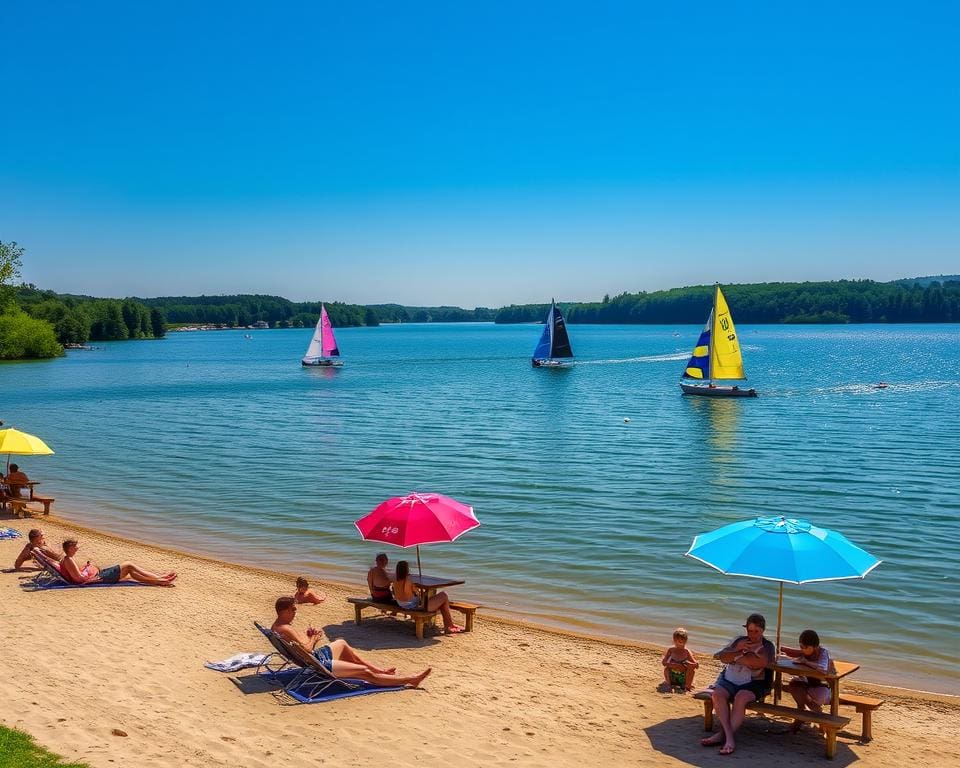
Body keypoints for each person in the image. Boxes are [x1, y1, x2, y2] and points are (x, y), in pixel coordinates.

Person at [270, 596, 430, 688]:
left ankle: (380, 670)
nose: (295, 612)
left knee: (342, 644)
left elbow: (300, 646)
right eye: (293, 609)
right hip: (320, 663)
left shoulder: (278, 627)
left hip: (313, 657)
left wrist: (308, 635)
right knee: (365, 673)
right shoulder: (286, 629)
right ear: (284, 611)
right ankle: (410, 679)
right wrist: (314, 638)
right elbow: (306, 649)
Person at [700, 613, 776, 755]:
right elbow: (721, 657)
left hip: (754, 683)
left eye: (756, 631)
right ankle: (728, 737)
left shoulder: (767, 646)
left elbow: (761, 662)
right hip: (730, 678)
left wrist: (736, 658)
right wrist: (737, 650)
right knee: (717, 694)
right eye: (749, 630)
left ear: (763, 630)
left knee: (740, 697)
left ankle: (721, 736)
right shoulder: (739, 640)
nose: (752, 634)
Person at [58, 539, 177, 586]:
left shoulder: (67, 559)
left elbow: (76, 574)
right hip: (97, 578)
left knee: (131, 572)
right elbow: (78, 579)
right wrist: (92, 579)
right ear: (70, 548)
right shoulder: (68, 560)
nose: (78, 548)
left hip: (96, 575)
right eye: (76, 546)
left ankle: (159, 579)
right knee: (129, 565)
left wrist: (86, 567)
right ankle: (160, 580)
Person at [781, 629, 832, 731]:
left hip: (822, 688)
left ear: (813, 646)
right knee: (793, 684)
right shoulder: (807, 653)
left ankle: (814, 715)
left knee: (803, 695)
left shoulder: (823, 652)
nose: (802, 649)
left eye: (804, 647)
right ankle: (803, 713)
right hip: (808, 684)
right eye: (801, 647)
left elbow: (822, 668)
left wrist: (805, 662)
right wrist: (783, 650)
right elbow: (795, 655)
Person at [392, 560, 462, 634]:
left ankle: (448, 625)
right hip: (414, 607)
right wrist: (421, 592)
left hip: (402, 604)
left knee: (442, 602)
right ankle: (449, 626)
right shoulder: (409, 581)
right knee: (444, 595)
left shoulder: (395, 581)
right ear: (407, 570)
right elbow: (417, 594)